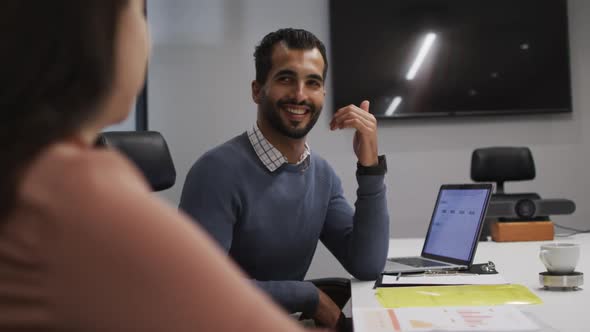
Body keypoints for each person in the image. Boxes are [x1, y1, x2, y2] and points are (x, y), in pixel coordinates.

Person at [0, 2, 315, 331]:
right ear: (92, 35)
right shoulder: (74, 192)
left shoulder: (25, 169)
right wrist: (307, 295)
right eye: (138, 12)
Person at [179, 28, 390, 328]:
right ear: (257, 90)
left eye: (313, 83)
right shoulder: (215, 172)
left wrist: (370, 168)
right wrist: (308, 296)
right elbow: (201, 289)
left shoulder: (321, 175)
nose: (300, 95)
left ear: (323, 94)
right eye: (285, 79)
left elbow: (367, 265)